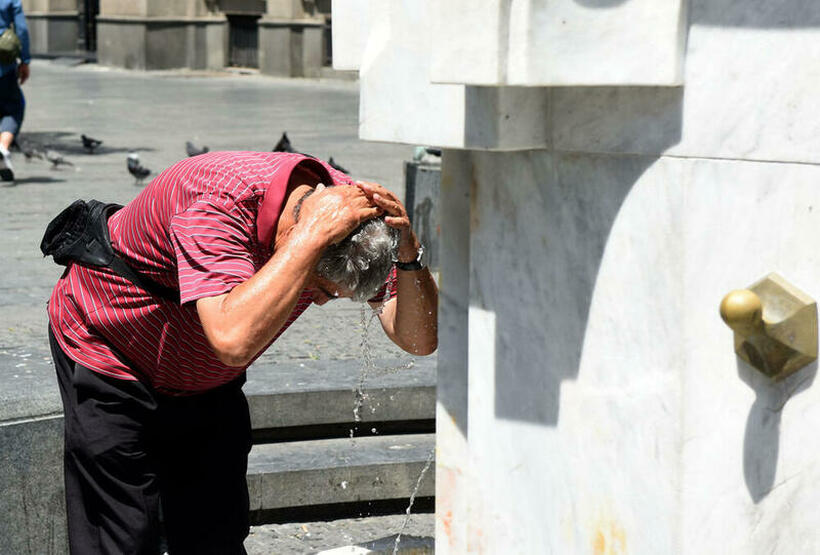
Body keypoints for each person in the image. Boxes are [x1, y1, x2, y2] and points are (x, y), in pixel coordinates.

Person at [47, 151, 438, 554]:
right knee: (123, 537)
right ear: (294, 237)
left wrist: (409, 255)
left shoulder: (353, 220)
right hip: (112, 352)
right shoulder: (214, 203)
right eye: (319, 288)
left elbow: (419, 340)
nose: (319, 303)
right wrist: (309, 239)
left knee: (218, 534)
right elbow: (232, 340)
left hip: (206, 378)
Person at [0, 0, 29, 183]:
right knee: (14, 107)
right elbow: (22, 30)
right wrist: (24, 60)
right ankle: (2, 147)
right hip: (3, 66)